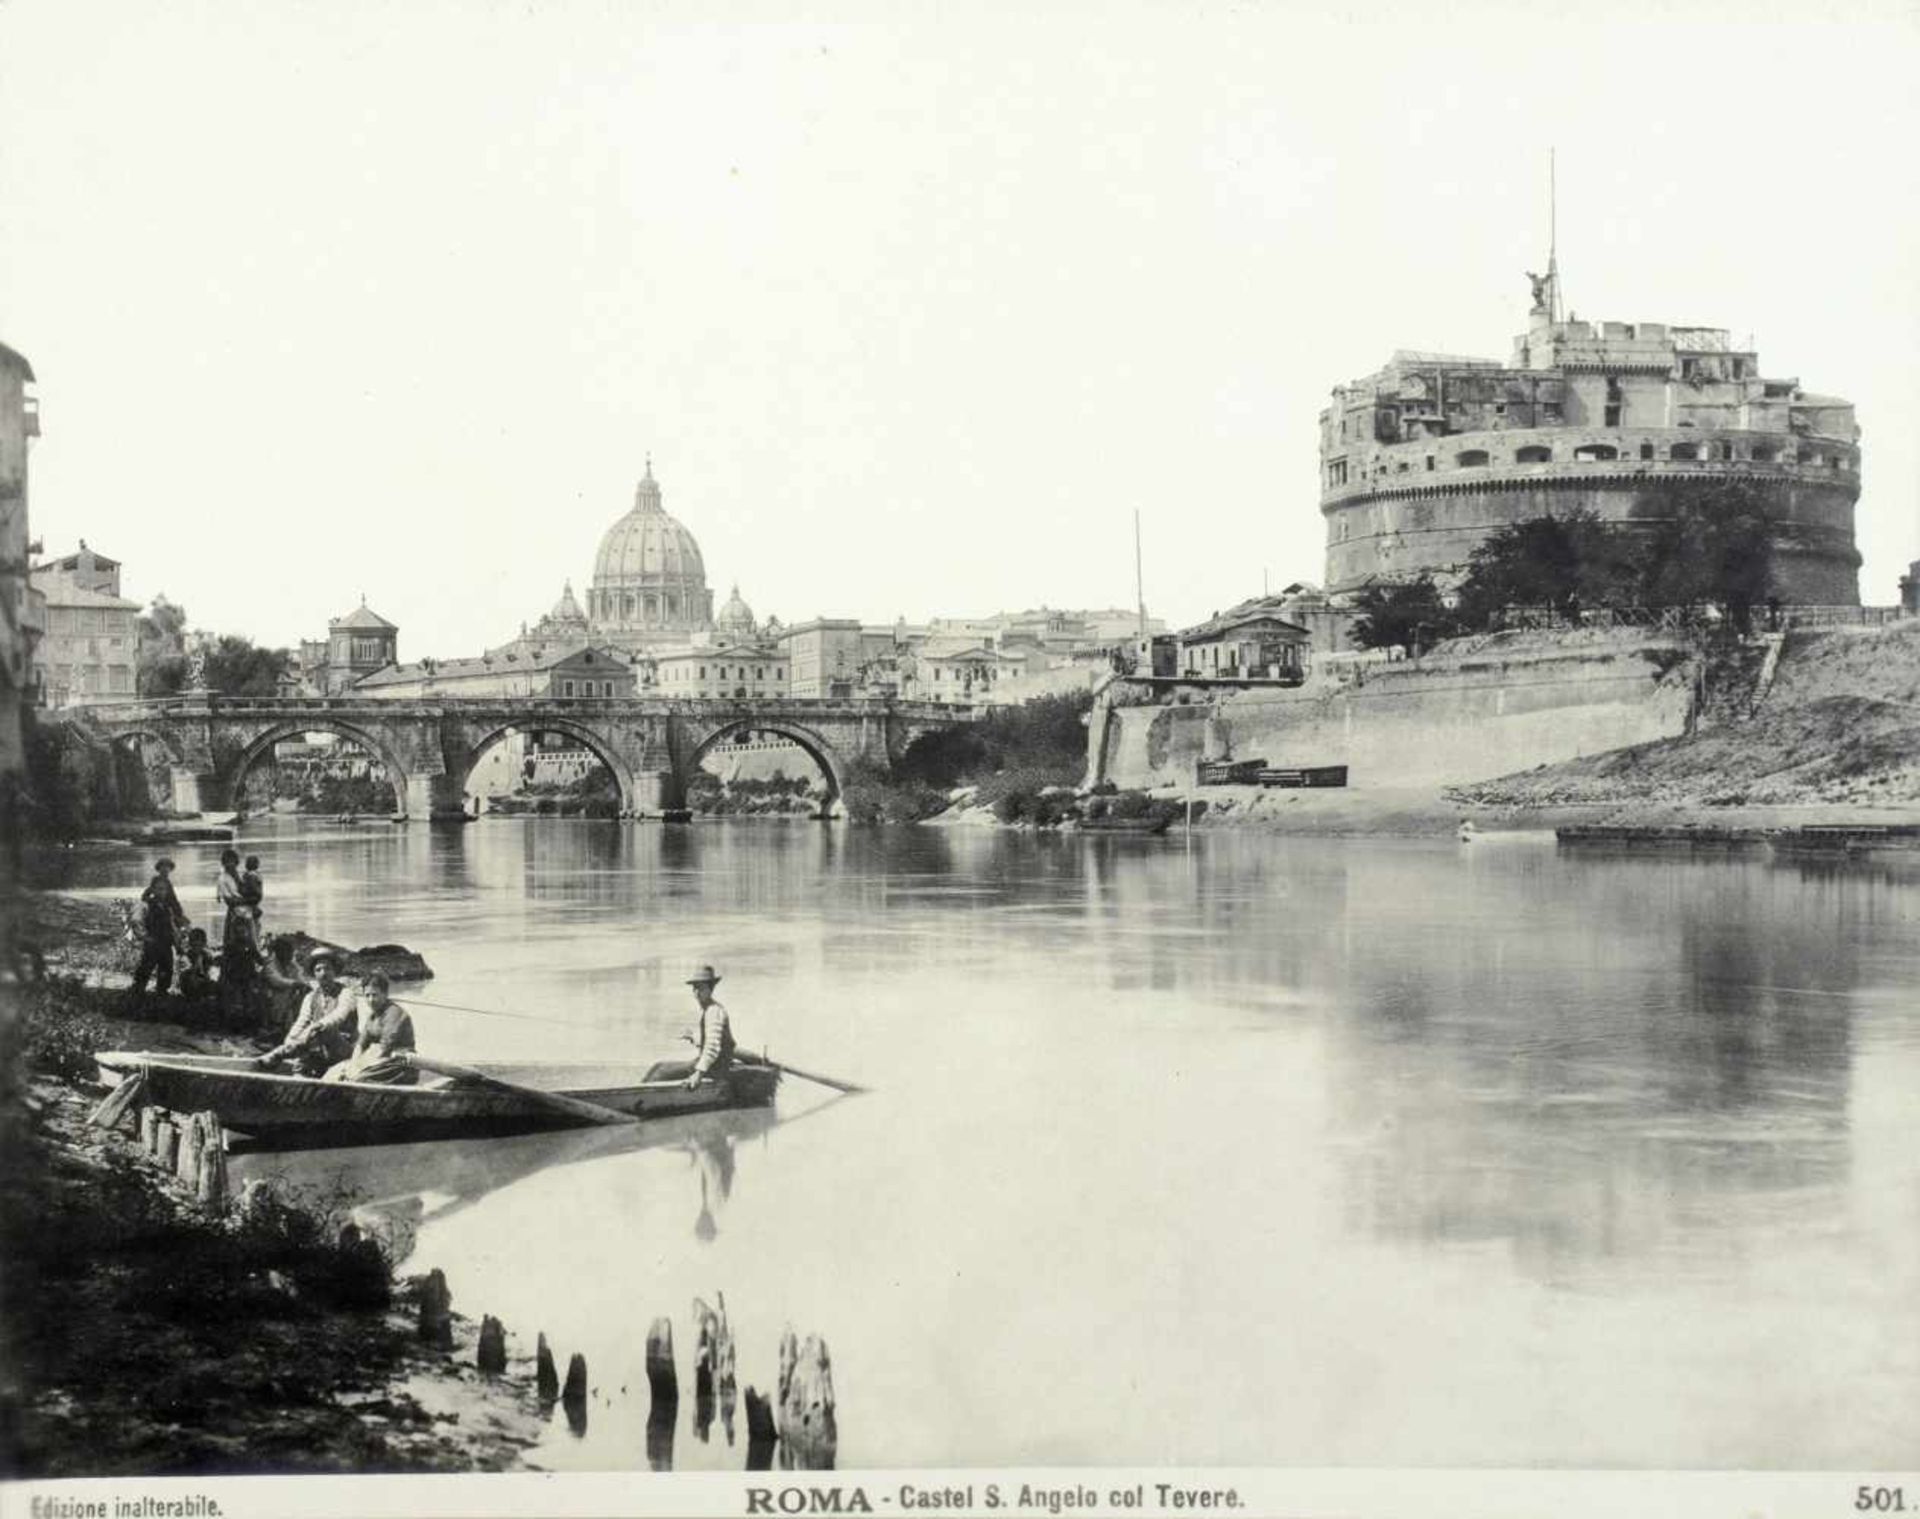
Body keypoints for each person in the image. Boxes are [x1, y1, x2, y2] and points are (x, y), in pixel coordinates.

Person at [256, 951, 360, 1076]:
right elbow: (302, 1021)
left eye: (328, 968)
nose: (323, 973)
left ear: (334, 971)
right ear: (314, 974)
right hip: (318, 1047)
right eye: (318, 970)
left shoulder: (346, 993)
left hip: (342, 1048)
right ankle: (297, 1073)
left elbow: (339, 1015)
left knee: (324, 1030)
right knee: (301, 1060)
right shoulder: (311, 997)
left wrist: (317, 1025)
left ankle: (278, 1054)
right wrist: (290, 1040)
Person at [325, 972, 417, 1085]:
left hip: (400, 1065)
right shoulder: (373, 1016)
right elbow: (361, 1044)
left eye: (375, 995)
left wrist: (358, 1068)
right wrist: (353, 1064)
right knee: (335, 1072)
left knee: (358, 1078)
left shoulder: (394, 1013)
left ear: (385, 994)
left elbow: (385, 1048)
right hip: (382, 1061)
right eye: (367, 995)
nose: (371, 1000)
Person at [131, 858, 188, 998]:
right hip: (153, 942)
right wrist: (145, 937)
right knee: (146, 967)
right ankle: (137, 993)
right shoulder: (148, 904)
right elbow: (136, 920)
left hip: (166, 942)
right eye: (158, 889)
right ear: (154, 889)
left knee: (166, 968)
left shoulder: (168, 908)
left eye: (164, 890)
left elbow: (173, 924)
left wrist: (178, 942)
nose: (162, 892)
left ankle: (161, 995)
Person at [681, 964, 735, 1089]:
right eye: (694, 988)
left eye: (701, 988)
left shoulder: (714, 1011)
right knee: (660, 1068)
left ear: (711, 989)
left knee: (662, 1072)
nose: (696, 992)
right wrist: (693, 1038)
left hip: (718, 1068)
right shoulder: (706, 1009)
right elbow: (705, 1041)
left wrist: (698, 1074)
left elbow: (712, 1046)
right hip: (713, 1064)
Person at [255, 934, 309, 1043]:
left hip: (284, 1002)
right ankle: (275, 1026)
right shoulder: (270, 964)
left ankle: (294, 1024)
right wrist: (296, 984)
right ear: (279, 951)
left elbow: (299, 976)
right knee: (284, 993)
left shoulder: (291, 964)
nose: (290, 954)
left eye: (291, 951)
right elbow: (277, 981)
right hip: (267, 1002)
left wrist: (304, 985)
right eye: (287, 951)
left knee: (302, 994)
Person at [177, 928, 216, 1003]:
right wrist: (196, 965)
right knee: (193, 982)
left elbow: (209, 971)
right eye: (195, 944)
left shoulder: (206, 955)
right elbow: (184, 975)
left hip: (203, 981)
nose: (197, 947)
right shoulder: (186, 956)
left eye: (200, 944)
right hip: (188, 983)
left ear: (204, 943)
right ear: (190, 944)